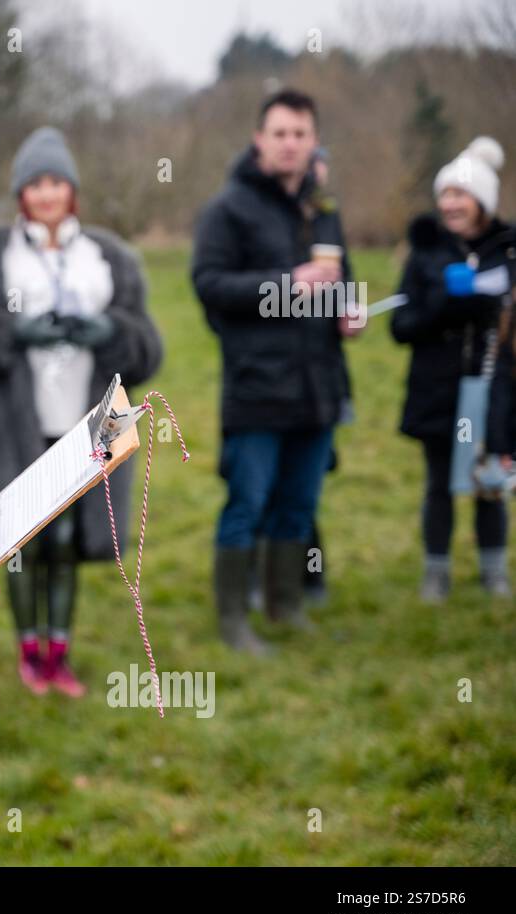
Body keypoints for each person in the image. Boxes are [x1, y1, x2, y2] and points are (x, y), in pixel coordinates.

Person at [0, 127, 163, 696]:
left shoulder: (108, 256)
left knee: (68, 536)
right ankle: (27, 651)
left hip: (93, 421)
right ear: (21, 193)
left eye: (56, 182)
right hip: (12, 424)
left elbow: (148, 347)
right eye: (35, 184)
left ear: (72, 190)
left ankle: (59, 653)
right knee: (23, 538)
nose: (46, 194)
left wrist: (109, 331)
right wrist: (11, 334)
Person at [192, 89, 361, 656]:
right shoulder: (229, 209)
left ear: (314, 142)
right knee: (247, 503)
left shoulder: (324, 209)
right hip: (257, 388)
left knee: (300, 505)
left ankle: (287, 605)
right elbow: (209, 286)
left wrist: (348, 310)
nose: (290, 143)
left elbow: (341, 280)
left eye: (300, 134)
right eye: (280, 133)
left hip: (318, 387)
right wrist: (287, 285)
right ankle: (234, 622)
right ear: (259, 140)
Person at [390, 136, 514, 600]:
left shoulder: (509, 250)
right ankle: (436, 574)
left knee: (491, 482)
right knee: (438, 483)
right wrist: (446, 308)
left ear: (482, 201)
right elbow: (401, 327)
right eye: (445, 194)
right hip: (439, 390)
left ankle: (493, 572)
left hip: (494, 388)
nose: (451, 203)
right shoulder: (424, 254)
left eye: (461, 195)